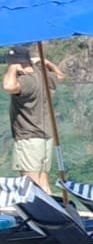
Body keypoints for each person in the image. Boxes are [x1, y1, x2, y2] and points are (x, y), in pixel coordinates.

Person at [4, 46, 60, 189]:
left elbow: (9, 86)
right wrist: (46, 62)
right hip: (45, 135)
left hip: (29, 137)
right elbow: (60, 76)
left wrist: (12, 69)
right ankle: (50, 210)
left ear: (14, 62)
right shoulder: (41, 75)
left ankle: (40, 210)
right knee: (42, 181)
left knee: (31, 185)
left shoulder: (26, 82)